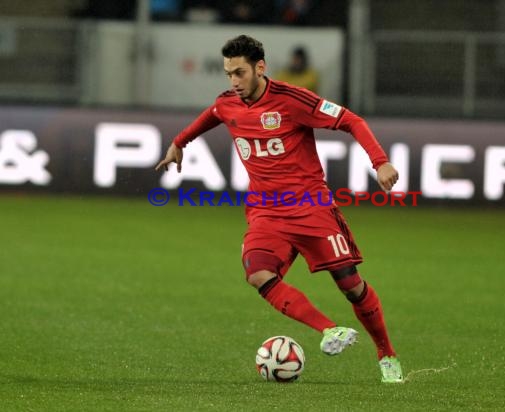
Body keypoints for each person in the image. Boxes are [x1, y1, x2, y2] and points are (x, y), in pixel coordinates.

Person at [155, 35, 403, 383]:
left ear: (260, 67)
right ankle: (329, 330)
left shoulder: (291, 100)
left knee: (351, 286)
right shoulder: (228, 103)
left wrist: (380, 162)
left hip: (311, 207)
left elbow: (352, 120)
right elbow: (211, 116)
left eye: (240, 73)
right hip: (266, 212)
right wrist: (179, 142)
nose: (234, 82)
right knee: (258, 273)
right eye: (228, 74)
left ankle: (386, 354)